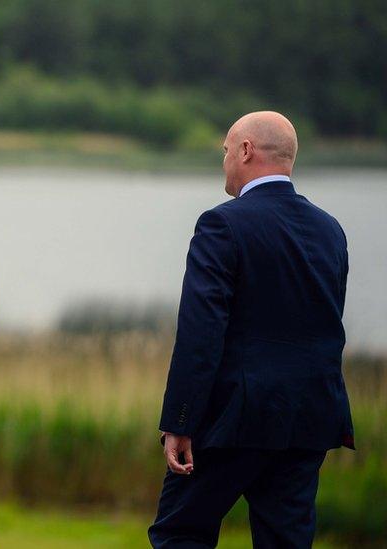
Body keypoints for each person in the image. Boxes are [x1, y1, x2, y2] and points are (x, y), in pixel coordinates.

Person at [149, 111, 354, 548]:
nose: (223, 161)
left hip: (233, 420)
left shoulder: (221, 224)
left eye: (226, 150)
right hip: (308, 418)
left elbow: (201, 333)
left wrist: (180, 421)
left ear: (246, 151)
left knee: (180, 533)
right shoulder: (330, 230)